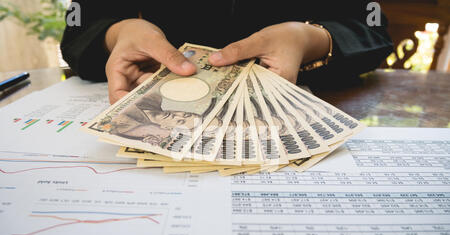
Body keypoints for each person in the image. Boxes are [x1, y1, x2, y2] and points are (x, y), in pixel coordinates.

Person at [61, 0, 393, 105]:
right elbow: (80, 24)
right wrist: (118, 33)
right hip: (164, 84)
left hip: (308, 92)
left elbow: (372, 25)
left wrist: (310, 39)